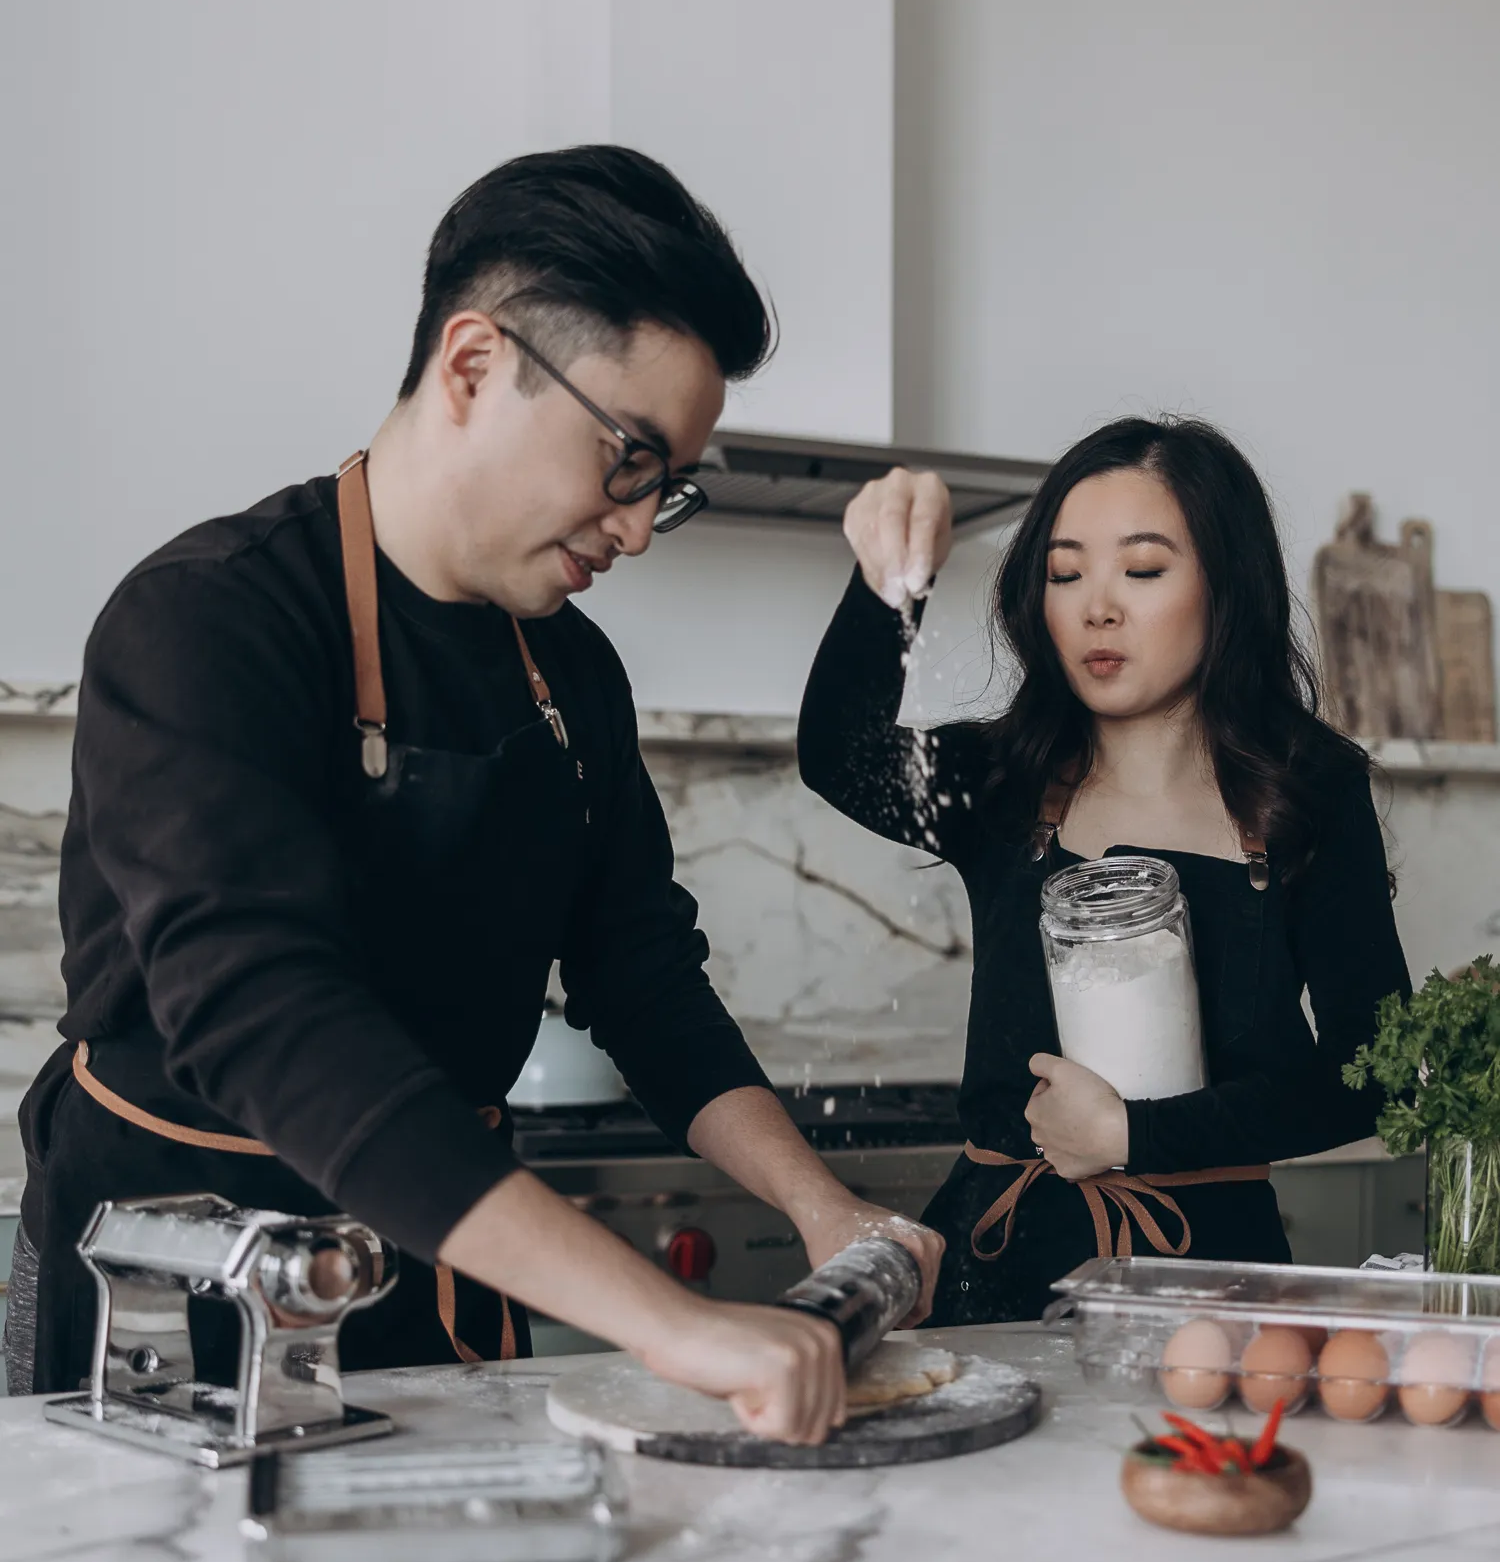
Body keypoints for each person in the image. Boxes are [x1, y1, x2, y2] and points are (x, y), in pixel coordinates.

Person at [7, 145, 941, 1437]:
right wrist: (668, 1318)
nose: (632, 526)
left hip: (433, 1274)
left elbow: (643, 980)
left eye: (666, 489)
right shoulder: (208, 620)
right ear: (471, 364)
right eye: (628, 457)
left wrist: (821, 1206)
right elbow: (262, 1014)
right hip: (175, 1300)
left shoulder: (572, 673)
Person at [798, 416, 1410, 1324]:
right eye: (1065, 572)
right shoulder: (1002, 784)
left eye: (1145, 569)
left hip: (1211, 1283)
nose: (1097, 607)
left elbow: (1376, 1070)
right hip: (994, 1279)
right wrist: (890, 583)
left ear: (1227, 585)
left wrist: (1137, 1134)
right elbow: (838, 755)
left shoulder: (1308, 791)